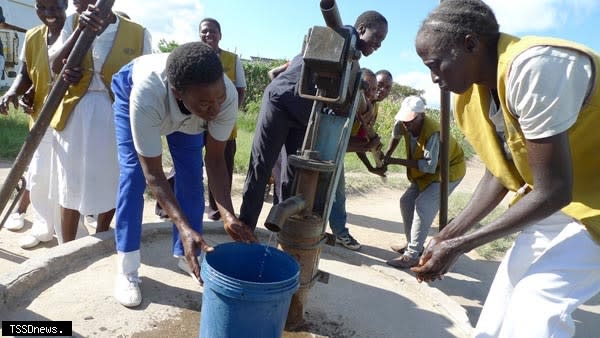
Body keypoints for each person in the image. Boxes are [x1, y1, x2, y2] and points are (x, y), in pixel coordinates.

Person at [412, 0, 600, 336]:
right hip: (573, 197)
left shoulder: (537, 67)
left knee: (539, 300)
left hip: (582, 199)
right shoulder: (471, 96)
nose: (433, 77)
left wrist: (462, 246)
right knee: (507, 289)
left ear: (470, 44)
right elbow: (498, 173)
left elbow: (553, 190)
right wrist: (449, 235)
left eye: (436, 64)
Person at [110, 42, 256, 307]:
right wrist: (183, 224)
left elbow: (214, 160)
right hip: (131, 89)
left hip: (186, 109)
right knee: (133, 176)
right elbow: (153, 173)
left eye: (219, 99)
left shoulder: (224, 96)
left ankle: (185, 254)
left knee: (191, 176)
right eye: (206, 103)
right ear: (178, 93)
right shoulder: (147, 94)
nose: (215, 110)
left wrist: (227, 215)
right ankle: (127, 268)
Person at [240, 11, 388, 247]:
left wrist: (364, 102)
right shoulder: (341, 35)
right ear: (361, 29)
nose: (378, 44)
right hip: (281, 102)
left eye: (382, 41)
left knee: (292, 174)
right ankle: (245, 233)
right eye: (376, 37)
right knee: (261, 166)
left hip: (305, 111)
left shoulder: (353, 59)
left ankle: (280, 233)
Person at [49, 0, 152, 243]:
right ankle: (67, 246)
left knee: (111, 178)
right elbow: (55, 64)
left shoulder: (137, 33)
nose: (74, 1)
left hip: (115, 116)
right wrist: (78, 33)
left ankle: (102, 237)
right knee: (71, 182)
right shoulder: (73, 22)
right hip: (75, 114)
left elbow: (145, 79)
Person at [0, 0, 69, 248]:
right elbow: (25, 73)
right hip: (40, 116)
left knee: (66, 177)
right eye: (42, 7)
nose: (48, 14)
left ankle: (70, 233)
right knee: (39, 175)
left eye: (55, 7)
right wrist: (13, 93)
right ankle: (42, 229)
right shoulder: (32, 36)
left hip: (71, 116)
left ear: (67, 5)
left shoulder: (78, 32)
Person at [383, 96, 465, 268]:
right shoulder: (403, 123)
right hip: (428, 171)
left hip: (448, 170)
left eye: (410, 121)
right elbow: (396, 135)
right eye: (404, 120)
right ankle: (413, 245)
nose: (407, 125)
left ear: (421, 116)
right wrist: (387, 155)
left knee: (423, 205)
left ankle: (413, 255)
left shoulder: (433, 132)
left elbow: (428, 166)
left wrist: (395, 161)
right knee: (406, 202)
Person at [199, 18, 246, 221]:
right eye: (204, 31)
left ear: (220, 35)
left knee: (222, 164)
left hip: (224, 121)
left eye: (213, 31)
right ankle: (168, 207)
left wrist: (228, 114)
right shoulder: (194, 56)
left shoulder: (232, 59)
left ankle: (217, 208)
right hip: (195, 121)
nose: (208, 35)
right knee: (186, 162)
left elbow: (240, 89)